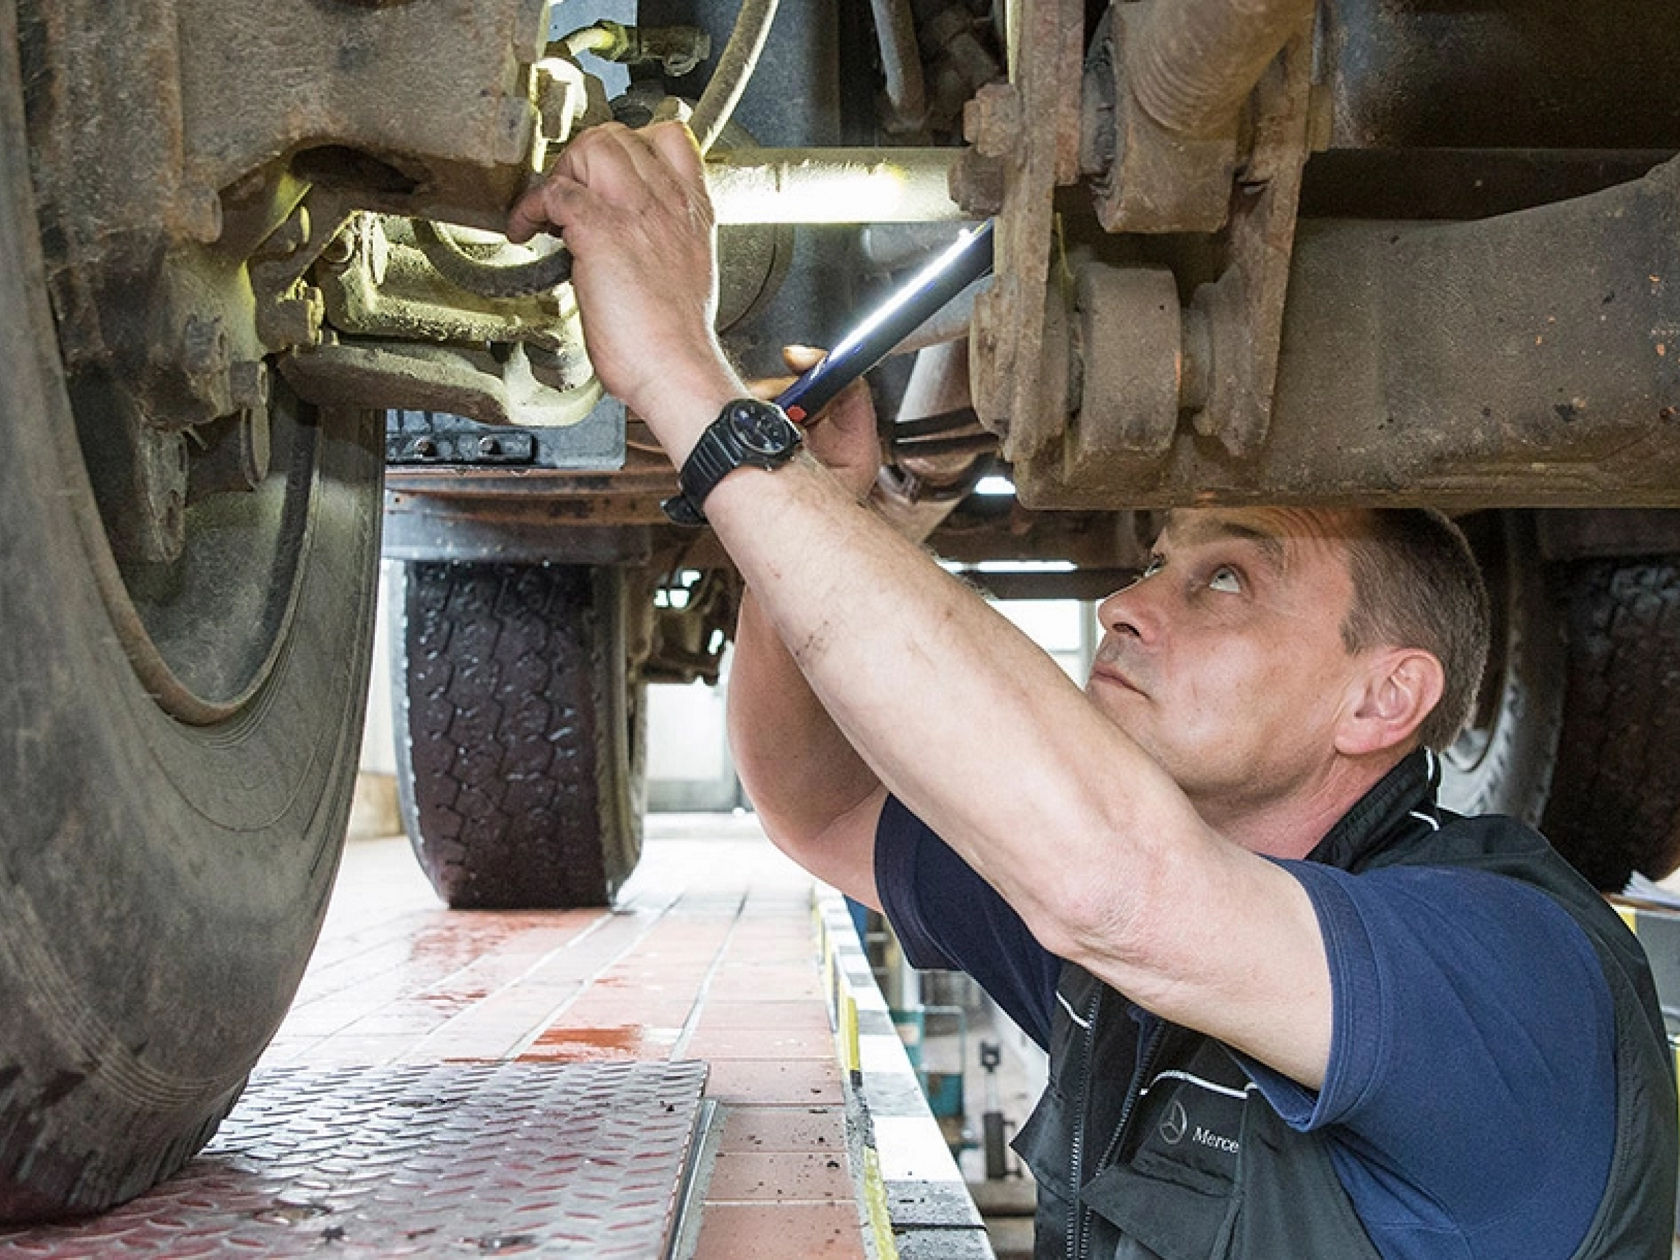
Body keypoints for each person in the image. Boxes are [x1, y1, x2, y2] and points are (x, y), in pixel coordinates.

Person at [510, 121, 1678, 1257]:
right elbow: (818, 804)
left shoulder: (1509, 970)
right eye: (1159, 561)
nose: (1127, 602)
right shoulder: (1124, 948)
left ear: (1382, 701)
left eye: (1225, 579)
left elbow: (1119, 886)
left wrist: (685, 374)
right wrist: (824, 518)